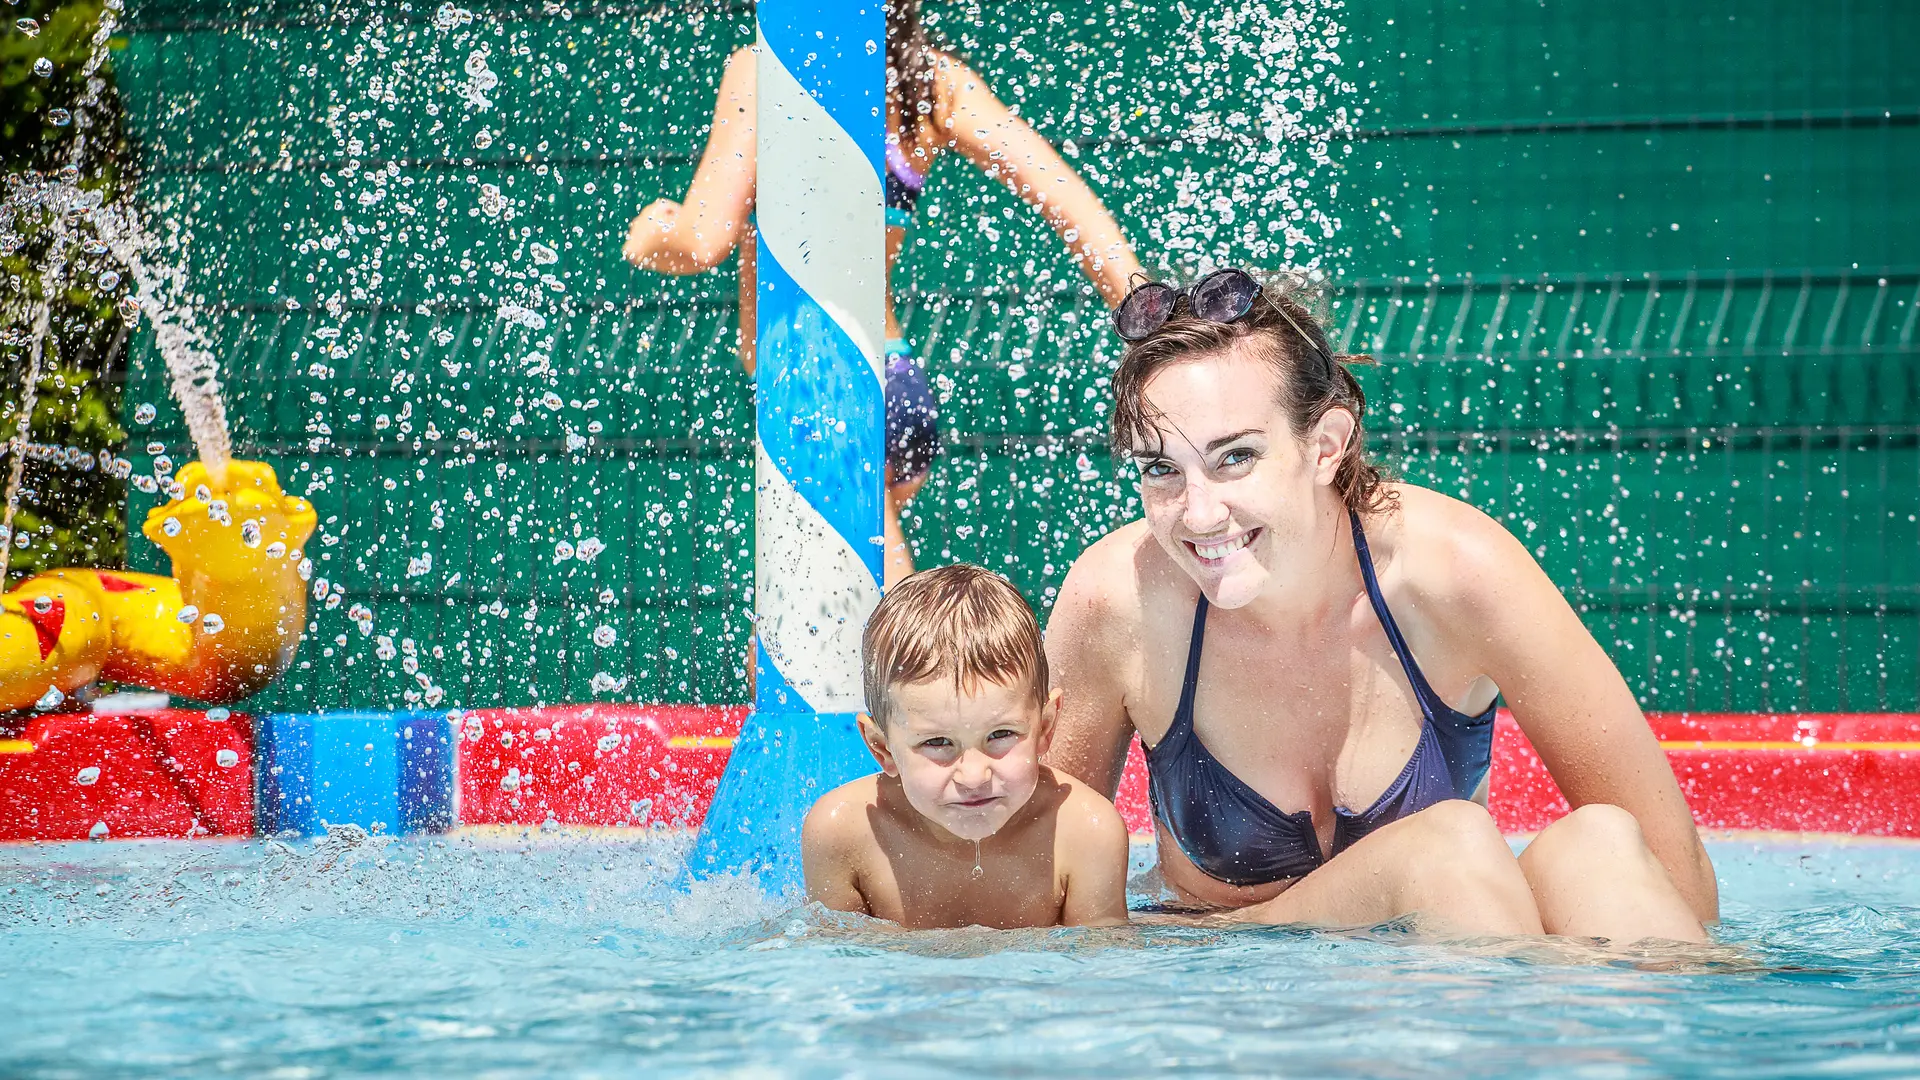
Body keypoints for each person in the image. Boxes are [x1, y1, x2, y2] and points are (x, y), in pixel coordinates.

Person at [1043, 267, 1715, 943]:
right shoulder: (1120, 604)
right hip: (1227, 989)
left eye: (1236, 458)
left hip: (1449, 975)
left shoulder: (1458, 575)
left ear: (1325, 446)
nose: (1198, 513)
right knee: (1446, 852)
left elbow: (1677, 878)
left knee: (1602, 845)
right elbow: (1031, 892)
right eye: (1160, 468)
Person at [621, 0, 1143, 586]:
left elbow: (701, 239)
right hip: (896, 381)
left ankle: (968, 677)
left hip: (823, 388)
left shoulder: (767, 67)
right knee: (809, 627)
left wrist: (649, 232)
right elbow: (1064, 197)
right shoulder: (931, 82)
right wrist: (1146, 309)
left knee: (879, 630)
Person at [802, 563, 1130, 929]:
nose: (974, 776)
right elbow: (833, 973)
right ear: (881, 748)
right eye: (939, 742)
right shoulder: (844, 834)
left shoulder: (1086, 835)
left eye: (1001, 735)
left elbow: (1096, 975)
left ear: (1045, 727)